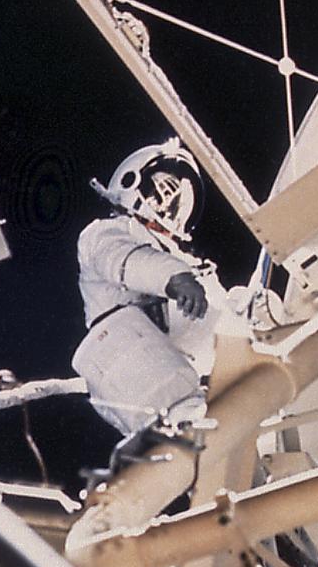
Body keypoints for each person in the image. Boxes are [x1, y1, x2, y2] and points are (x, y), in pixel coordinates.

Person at [71, 139, 224, 435]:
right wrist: (175, 278)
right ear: (132, 182)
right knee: (187, 428)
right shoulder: (107, 233)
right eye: (163, 191)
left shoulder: (185, 263)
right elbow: (126, 261)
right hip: (125, 356)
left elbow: (211, 323)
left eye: (177, 199)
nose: (168, 204)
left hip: (173, 368)